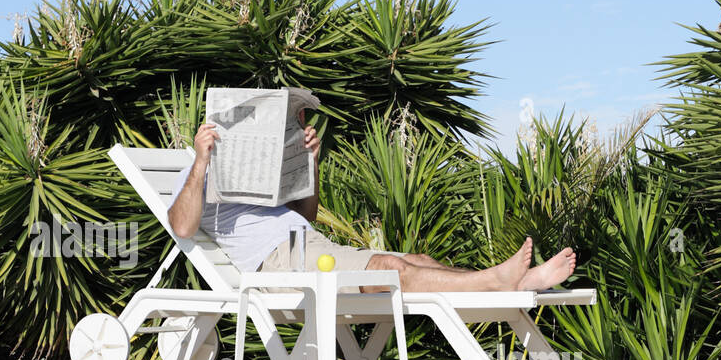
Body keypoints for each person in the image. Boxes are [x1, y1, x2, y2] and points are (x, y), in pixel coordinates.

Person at [167, 117, 577, 292]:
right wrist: (202, 161)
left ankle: (520, 283)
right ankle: (493, 281)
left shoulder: (254, 170)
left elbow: (306, 216)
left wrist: (310, 162)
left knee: (419, 259)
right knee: (391, 270)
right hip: (277, 266)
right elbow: (182, 227)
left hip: (310, 246)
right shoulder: (195, 174)